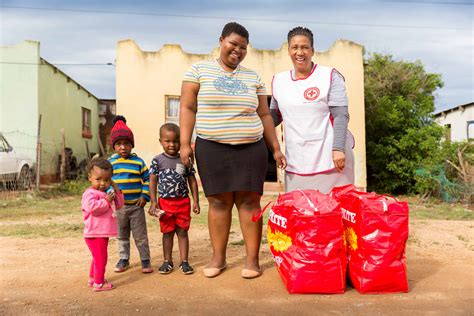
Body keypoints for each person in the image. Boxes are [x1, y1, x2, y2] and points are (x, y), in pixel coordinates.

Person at [179, 22, 287, 279]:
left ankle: (252, 260)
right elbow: (187, 107)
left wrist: (275, 148)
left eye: (243, 47)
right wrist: (185, 143)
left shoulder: (253, 77)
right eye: (233, 44)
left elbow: (264, 114)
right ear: (221, 41)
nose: (238, 50)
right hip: (211, 147)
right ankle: (218, 258)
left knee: (250, 203)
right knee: (218, 202)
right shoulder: (198, 70)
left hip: (251, 149)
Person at [270, 26, 355, 194]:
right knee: (301, 213)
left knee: (333, 212)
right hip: (296, 159)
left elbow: (341, 115)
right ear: (288, 50)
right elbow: (273, 116)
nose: (299, 52)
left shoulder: (330, 75)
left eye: (304, 47)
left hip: (331, 159)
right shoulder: (279, 80)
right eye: (295, 47)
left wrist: (338, 149)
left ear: (312, 50)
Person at [148, 123, 200, 275]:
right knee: (167, 232)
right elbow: (152, 181)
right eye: (167, 141)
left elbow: (192, 180)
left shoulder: (185, 159)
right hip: (165, 203)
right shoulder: (157, 160)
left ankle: (184, 262)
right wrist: (153, 201)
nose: (172, 144)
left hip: (183, 202)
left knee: (182, 232)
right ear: (160, 141)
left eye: (176, 141)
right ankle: (167, 261)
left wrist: (195, 201)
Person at [108, 115, 154, 273]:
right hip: (119, 208)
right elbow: (106, 181)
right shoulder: (111, 163)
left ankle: (145, 260)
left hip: (136, 207)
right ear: (114, 146)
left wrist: (144, 196)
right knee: (121, 236)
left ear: (132, 145)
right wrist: (109, 193)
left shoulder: (138, 162)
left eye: (126, 143)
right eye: (119, 144)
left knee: (140, 236)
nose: (123, 147)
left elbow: (148, 179)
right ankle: (123, 259)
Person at [82, 157, 124, 292]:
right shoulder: (90, 193)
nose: (102, 183)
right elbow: (92, 208)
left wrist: (116, 190)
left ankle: (93, 278)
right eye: (98, 179)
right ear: (90, 177)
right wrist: (106, 200)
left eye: (107, 180)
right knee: (101, 258)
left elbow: (119, 205)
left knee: (97, 257)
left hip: (101, 232)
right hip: (94, 233)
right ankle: (99, 283)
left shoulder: (107, 192)